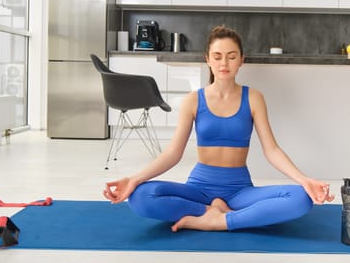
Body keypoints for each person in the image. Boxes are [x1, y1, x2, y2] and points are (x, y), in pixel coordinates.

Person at [103, 25, 334, 232]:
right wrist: (134, 179)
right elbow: (173, 153)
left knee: (301, 198)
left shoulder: (254, 98)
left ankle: (216, 220)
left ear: (241, 59)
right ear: (208, 59)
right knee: (140, 197)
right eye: (218, 56)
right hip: (199, 189)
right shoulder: (194, 100)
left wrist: (304, 179)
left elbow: (272, 150)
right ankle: (213, 213)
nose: (224, 63)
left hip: (239, 191)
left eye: (231, 57)